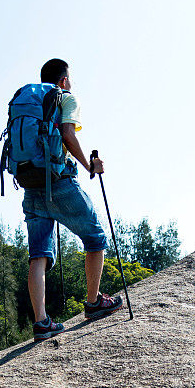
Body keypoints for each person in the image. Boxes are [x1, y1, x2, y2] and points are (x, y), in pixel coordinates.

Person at [24, 58, 123, 341]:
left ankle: (42, 323)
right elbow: (68, 133)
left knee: (39, 253)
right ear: (64, 80)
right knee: (95, 237)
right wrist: (89, 165)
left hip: (31, 183)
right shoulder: (66, 97)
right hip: (58, 181)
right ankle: (93, 303)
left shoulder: (29, 99)